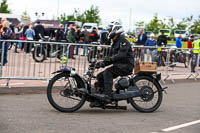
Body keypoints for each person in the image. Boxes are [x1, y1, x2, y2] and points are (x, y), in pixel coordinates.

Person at [90, 21, 134, 104]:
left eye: (109, 30)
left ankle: (108, 96)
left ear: (115, 30)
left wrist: (105, 62)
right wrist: (101, 64)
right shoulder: (114, 43)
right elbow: (110, 58)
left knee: (107, 72)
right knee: (100, 76)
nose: (108, 32)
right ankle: (101, 96)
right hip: (119, 65)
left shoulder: (123, 42)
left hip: (126, 65)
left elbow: (120, 55)